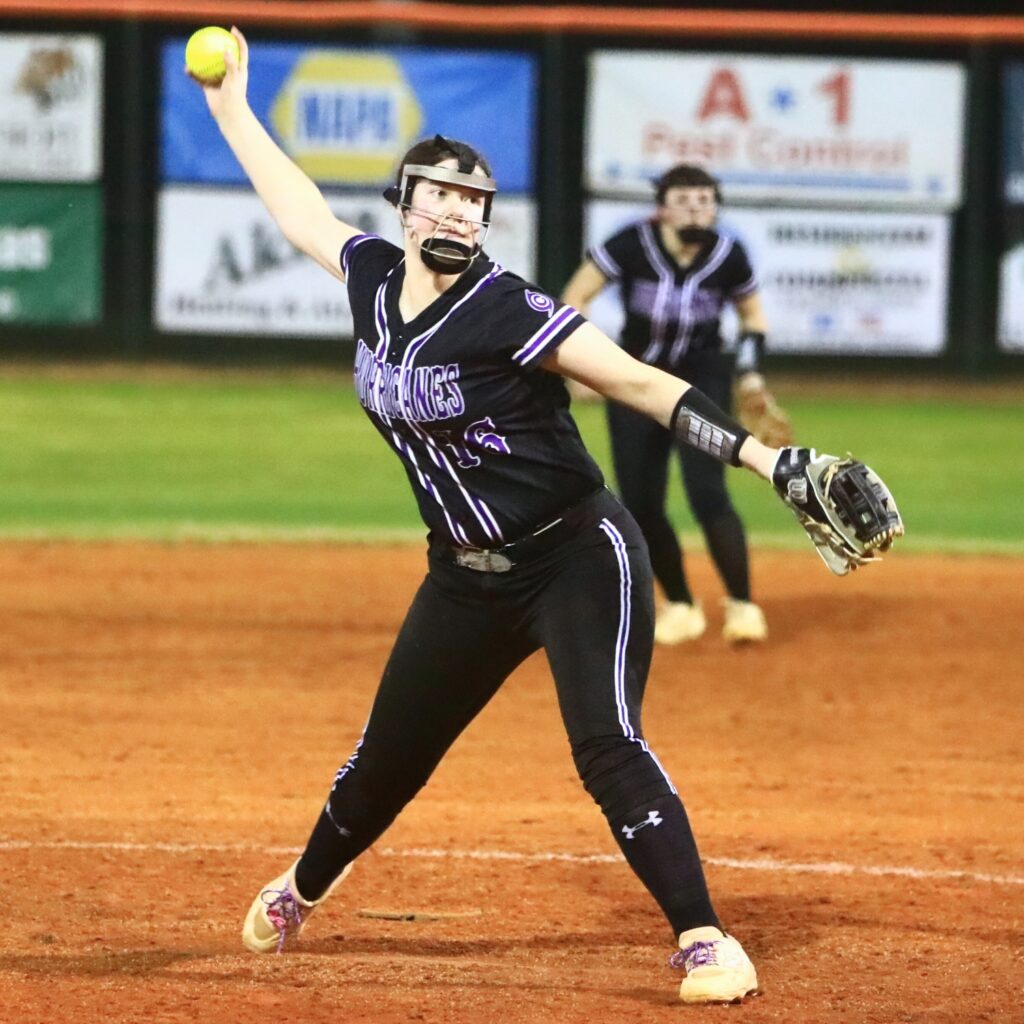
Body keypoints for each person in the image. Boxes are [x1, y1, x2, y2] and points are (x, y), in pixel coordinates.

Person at [191, 29, 814, 1006]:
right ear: (403, 205)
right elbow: (296, 206)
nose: (457, 206)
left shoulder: (510, 309)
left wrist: (768, 457)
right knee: (386, 755)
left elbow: (641, 382)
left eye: (474, 196)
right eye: (438, 190)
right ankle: (302, 885)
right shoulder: (368, 279)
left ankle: (705, 937)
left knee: (605, 742)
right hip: (463, 573)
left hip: (577, 554)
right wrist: (230, 105)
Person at [562, 166, 792, 646]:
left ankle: (743, 606)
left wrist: (749, 373)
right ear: (662, 206)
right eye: (685, 201)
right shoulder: (631, 245)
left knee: (708, 493)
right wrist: (579, 365)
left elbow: (753, 315)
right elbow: (576, 296)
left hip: (702, 379)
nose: (697, 210)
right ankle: (682, 604)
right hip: (635, 381)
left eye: (706, 201)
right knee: (642, 501)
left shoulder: (728, 255)